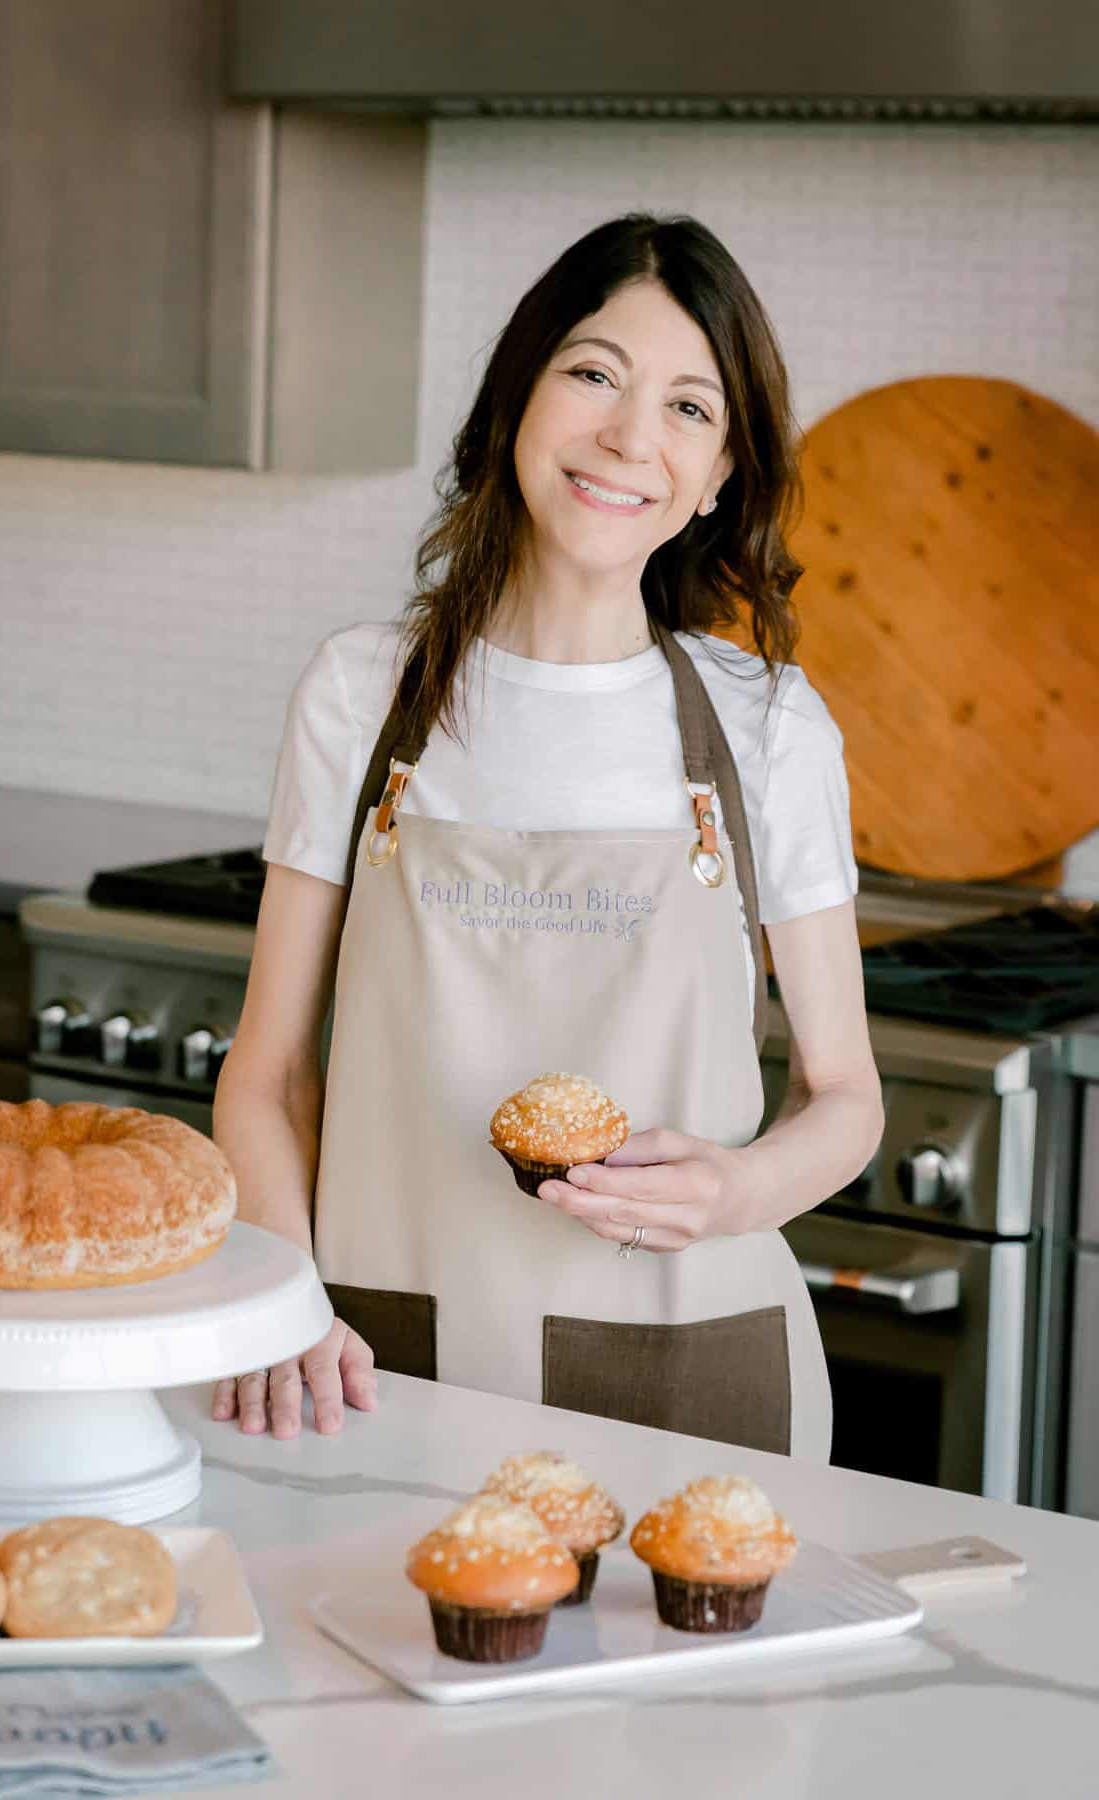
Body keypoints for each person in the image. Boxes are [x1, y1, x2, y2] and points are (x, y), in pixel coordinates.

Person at [210, 213, 883, 1458]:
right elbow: (268, 1073)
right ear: (516, 395)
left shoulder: (768, 728)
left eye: (691, 408)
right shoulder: (365, 695)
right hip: (371, 1357)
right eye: (594, 374)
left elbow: (844, 1097)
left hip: (692, 1369)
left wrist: (738, 1190)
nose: (633, 436)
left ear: (723, 472)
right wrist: (283, 1301)